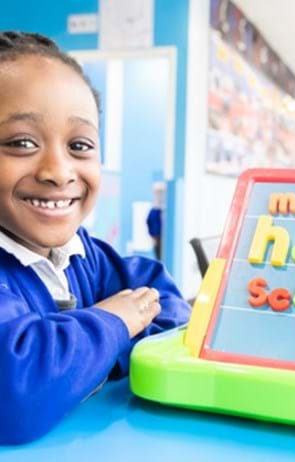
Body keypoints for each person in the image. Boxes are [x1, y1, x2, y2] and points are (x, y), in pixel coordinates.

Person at [0, 31, 191, 445]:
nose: (58, 171)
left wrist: (88, 358)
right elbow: (16, 393)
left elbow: (171, 305)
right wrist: (117, 321)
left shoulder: (83, 253)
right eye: (21, 142)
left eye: (80, 145)